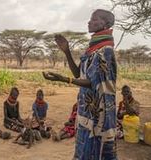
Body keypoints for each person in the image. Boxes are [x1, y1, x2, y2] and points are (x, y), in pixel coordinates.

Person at [43, 9, 117, 159]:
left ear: (106, 24)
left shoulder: (106, 51)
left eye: (94, 19)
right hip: (86, 108)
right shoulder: (92, 50)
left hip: (99, 110)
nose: (89, 22)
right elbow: (79, 75)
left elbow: (93, 83)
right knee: (84, 147)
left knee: (97, 148)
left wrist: (64, 79)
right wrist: (67, 52)